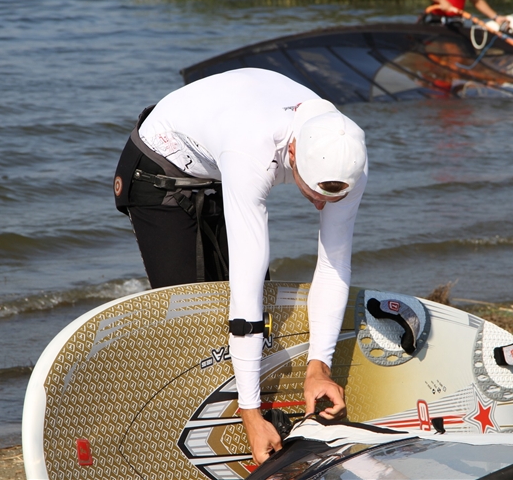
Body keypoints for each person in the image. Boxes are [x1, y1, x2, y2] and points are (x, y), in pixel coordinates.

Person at [113, 68, 368, 465]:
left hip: (216, 160)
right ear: (295, 153)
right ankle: (219, 424)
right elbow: (245, 287)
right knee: (198, 321)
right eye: (313, 193)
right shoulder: (251, 148)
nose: (321, 205)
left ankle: (254, 414)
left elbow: (333, 266)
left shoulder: (346, 152)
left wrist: (320, 365)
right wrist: (249, 413)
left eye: (329, 197)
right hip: (159, 167)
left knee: (260, 328)